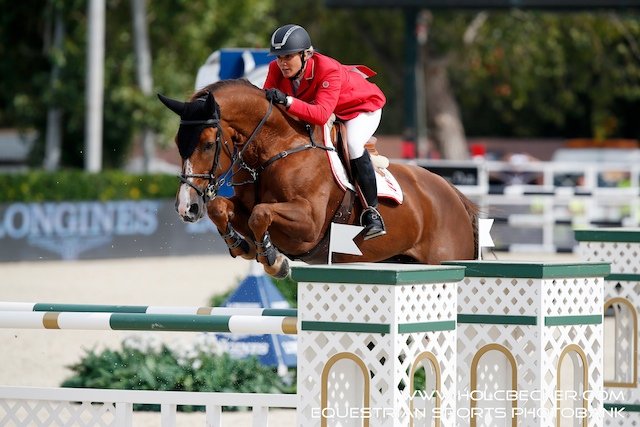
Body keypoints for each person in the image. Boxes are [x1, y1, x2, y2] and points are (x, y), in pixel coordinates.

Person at [263, 24, 387, 240]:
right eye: (279, 57)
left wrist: (288, 101)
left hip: (360, 109)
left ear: (306, 55)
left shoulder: (327, 69)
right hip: (326, 109)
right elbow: (266, 103)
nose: (282, 63)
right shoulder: (276, 69)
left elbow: (320, 114)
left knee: (353, 144)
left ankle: (372, 213)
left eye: (288, 56)